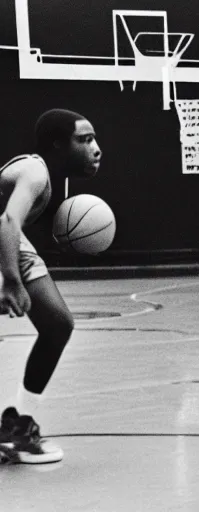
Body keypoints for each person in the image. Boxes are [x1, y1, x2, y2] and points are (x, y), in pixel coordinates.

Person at [0, 109, 102, 463]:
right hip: (6, 235)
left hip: (12, 242)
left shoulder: (43, 174)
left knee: (57, 325)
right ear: (59, 145)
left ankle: (18, 428)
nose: (96, 148)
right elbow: (9, 218)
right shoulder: (35, 171)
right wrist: (11, 281)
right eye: (85, 140)